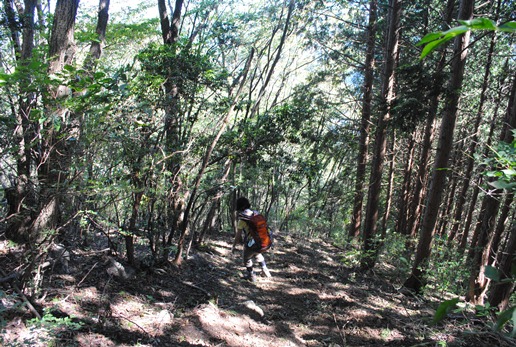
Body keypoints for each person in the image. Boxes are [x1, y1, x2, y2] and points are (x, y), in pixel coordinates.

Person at [232, 197, 272, 282]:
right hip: (262, 242)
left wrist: (233, 246)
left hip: (252, 243)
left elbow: (238, 236)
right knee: (257, 253)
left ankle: (251, 275)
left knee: (246, 258)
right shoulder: (256, 213)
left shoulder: (242, 219)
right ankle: (265, 271)